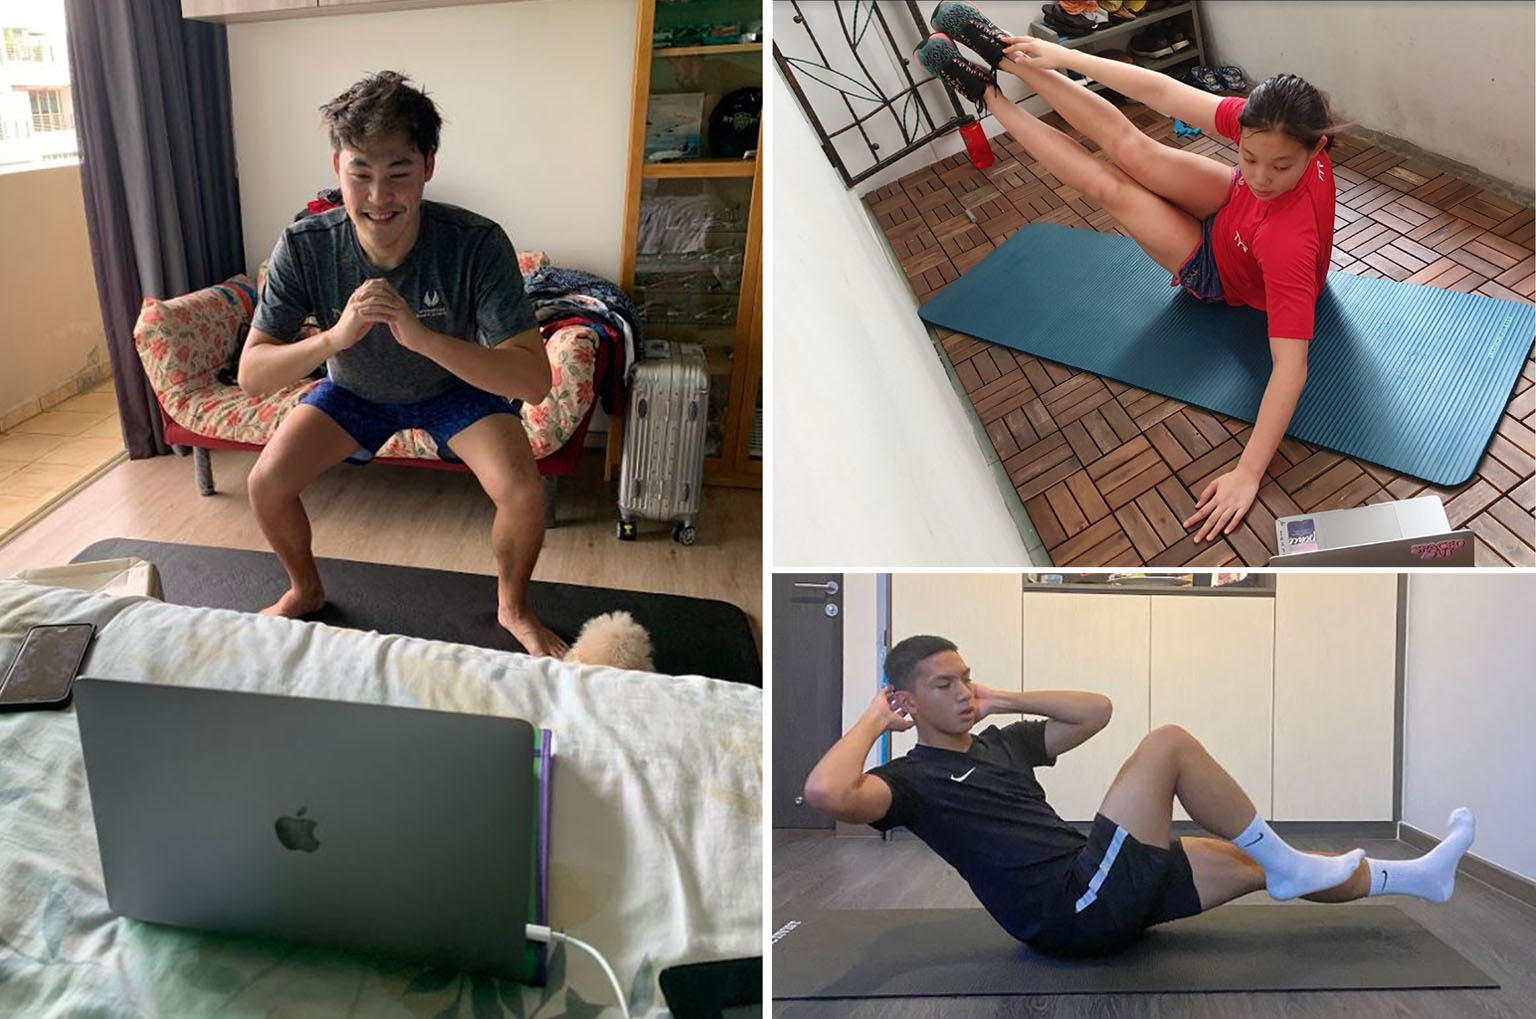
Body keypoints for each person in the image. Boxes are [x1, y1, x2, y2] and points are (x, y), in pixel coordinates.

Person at [915, 2, 1346, 542]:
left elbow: (1290, 368)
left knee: (1109, 185)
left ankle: (989, 95)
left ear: (1316, 149)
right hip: (1233, 209)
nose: (1261, 175)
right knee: (1133, 148)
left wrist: (1247, 473)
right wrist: (1061, 56)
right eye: (1248, 155)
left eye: (1280, 166)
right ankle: (1005, 51)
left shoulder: (1289, 245)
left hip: (1222, 268)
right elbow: (1163, 92)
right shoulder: (1277, 128)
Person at [803, 635, 1477, 957]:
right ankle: (1290, 863)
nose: (961, 692)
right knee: (1168, 745)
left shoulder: (1000, 743)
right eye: (944, 685)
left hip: (1091, 876)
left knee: (1259, 864)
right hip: (1067, 909)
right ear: (906, 700)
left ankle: (1418, 876)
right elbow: (825, 790)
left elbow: (1095, 710)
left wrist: (1000, 697)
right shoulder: (910, 782)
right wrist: (874, 718)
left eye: (965, 677)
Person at [238, 71, 566, 657]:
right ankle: (305, 590)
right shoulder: (305, 245)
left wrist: (422, 338)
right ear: (337, 167)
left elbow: (533, 381)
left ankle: (513, 607)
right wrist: (335, 338)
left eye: (398, 174)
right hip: (352, 392)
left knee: (522, 492)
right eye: (360, 174)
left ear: (428, 167)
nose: (378, 198)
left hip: (453, 390)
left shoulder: (474, 241)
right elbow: (253, 374)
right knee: (266, 482)